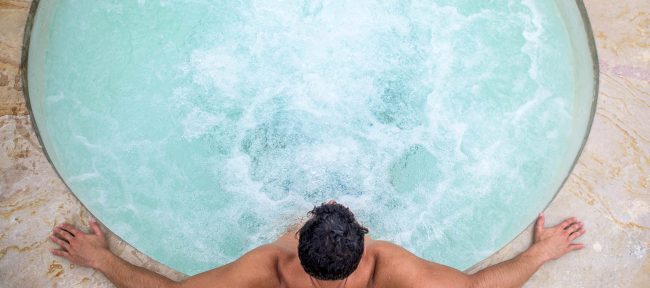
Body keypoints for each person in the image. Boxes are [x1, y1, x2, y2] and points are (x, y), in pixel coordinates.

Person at [49, 201, 586, 288]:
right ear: (364, 242)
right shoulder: (391, 266)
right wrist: (541, 252)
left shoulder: (269, 266)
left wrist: (100, 260)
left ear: (297, 243)